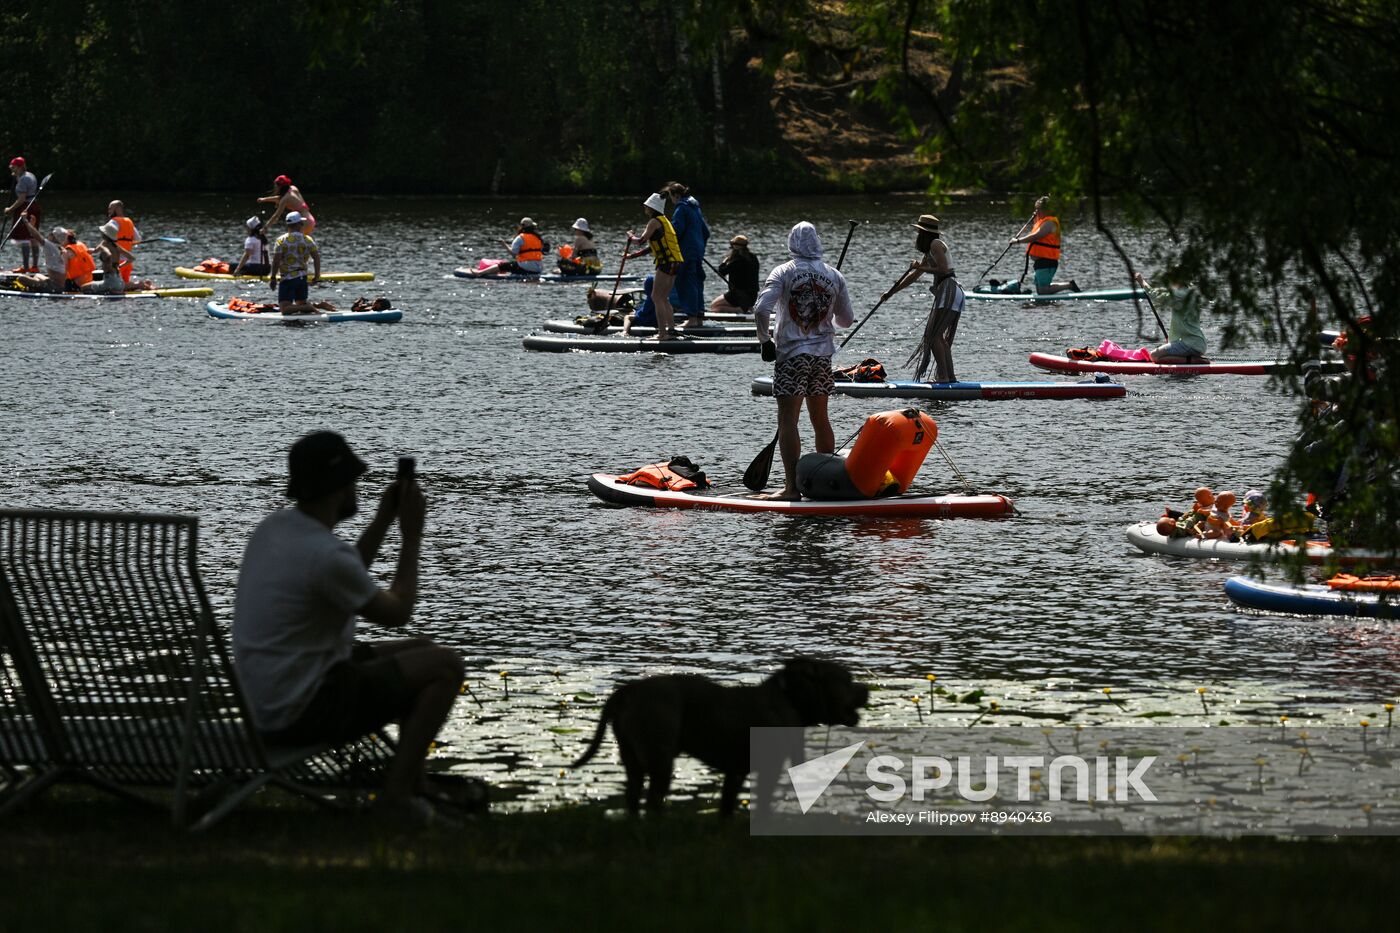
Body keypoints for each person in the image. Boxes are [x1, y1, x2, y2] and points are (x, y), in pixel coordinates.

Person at [231, 431, 466, 826]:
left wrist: (381, 521)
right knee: (446, 666)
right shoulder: (325, 555)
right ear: (339, 488)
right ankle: (396, 799)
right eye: (353, 481)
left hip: (267, 696)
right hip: (302, 708)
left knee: (421, 650)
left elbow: (343, 575)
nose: (357, 488)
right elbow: (397, 612)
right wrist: (411, 536)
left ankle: (414, 784)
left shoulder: (274, 530)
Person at [752, 221, 855, 500]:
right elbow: (846, 320)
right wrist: (827, 314)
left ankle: (790, 489)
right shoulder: (834, 275)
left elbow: (761, 309)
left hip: (792, 356)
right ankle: (823, 482)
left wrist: (765, 341)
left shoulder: (783, 271)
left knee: (788, 421)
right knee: (821, 419)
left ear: (791, 243)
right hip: (822, 357)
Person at [881, 214, 966, 383]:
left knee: (934, 336)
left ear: (924, 233)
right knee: (938, 337)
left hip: (949, 289)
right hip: (948, 290)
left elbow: (943, 269)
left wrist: (921, 267)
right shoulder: (929, 251)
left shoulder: (935, 244)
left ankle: (942, 377)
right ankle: (949, 377)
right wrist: (891, 292)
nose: (918, 236)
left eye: (919, 232)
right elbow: (914, 276)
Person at [624, 193, 684, 339]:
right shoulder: (665, 221)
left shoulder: (653, 222)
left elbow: (641, 240)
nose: (644, 207)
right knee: (663, 298)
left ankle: (662, 334)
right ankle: (671, 331)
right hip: (675, 262)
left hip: (666, 262)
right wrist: (633, 256)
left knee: (656, 297)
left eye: (646, 206)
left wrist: (630, 236)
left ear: (651, 207)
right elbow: (652, 247)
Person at [1010, 196, 1079, 295]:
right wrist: (1036, 217)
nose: (1036, 212)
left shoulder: (1050, 223)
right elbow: (1037, 229)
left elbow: (1036, 236)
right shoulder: (1043, 222)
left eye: (1039, 209)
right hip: (1041, 262)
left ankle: (1069, 286)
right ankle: (1068, 286)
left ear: (1048, 210)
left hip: (1047, 262)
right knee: (1041, 290)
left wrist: (1018, 241)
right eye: (1036, 209)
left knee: (1043, 291)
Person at [663, 182, 710, 325]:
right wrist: (700, 248)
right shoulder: (696, 208)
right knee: (696, 283)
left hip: (685, 253)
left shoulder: (681, 209)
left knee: (685, 283)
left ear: (676, 195)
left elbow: (676, 232)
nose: (670, 200)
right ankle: (699, 317)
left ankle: (691, 319)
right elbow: (706, 232)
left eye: (670, 196)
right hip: (697, 252)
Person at [1134, 271, 1206, 363]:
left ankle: (1194, 361)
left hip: (1189, 344)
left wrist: (1142, 281)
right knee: (1164, 353)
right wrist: (1172, 340)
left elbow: (1156, 296)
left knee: (1154, 356)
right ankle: (1192, 359)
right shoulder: (1190, 292)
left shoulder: (1179, 294)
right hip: (1197, 344)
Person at [268, 211, 322, 313]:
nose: (303, 225)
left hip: (288, 278)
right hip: (302, 278)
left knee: (284, 309)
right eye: (302, 223)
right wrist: (317, 275)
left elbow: (276, 261)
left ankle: (308, 307)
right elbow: (316, 258)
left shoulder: (281, 240)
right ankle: (316, 306)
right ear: (299, 224)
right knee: (300, 304)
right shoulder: (308, 239)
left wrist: (273, 277)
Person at [80, 221, 152, 293]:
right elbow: (131, 258)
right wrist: (120, 266)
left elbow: (107, 254)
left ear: (105, 235)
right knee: (118, 285)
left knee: (83, 288)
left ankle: (134, 286)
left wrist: (108, 262)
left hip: (109, 283)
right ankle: (139, 285)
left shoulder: (103, 245)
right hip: (120, 281)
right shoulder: (116, 246)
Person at [8, 215, 68, 292]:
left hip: (54, 287)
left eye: (51, 234)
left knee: (21, 278)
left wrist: (25, 221)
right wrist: (32, 226)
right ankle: (36, 286)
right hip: (56, 285)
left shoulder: (51, 246)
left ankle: (34, 287)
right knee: (37, 275)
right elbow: (37, 236)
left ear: (54, 237)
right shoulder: (58, 247)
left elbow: (37, 236)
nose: (49, 235)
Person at [4, 157, 42, 273]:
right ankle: (34, 266)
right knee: (32, 237)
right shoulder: (30, 175)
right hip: (34, 205)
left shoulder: (23, 179)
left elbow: (21, 199)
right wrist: (16, 176)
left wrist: (9, 209)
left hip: (25, 207)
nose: (12, 169)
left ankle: (25, 268)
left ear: (20, 167)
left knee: (24, 237)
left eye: (14, 167)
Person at [474, 217, 548, 276]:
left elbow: (513, 254)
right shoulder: (538, 238)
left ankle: (480, 273)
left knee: (503, 266)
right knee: (514, 264)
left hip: (526, 267)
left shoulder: (520, 237)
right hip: (539, 268)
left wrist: (504, 245)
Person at [709, 235, 760, 315]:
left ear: (736, 246)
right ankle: (747, 307)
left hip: (738, 295)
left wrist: (725, 261)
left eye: (732, 245)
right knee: (717, 306)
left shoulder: (737, 260)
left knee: (714, 307)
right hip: (753, 296)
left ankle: (741, 310)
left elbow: (722, 272)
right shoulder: (753, 257)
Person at [105, 200, 142, 284]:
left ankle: (140, 285)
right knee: (124, 285)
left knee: (114, 285)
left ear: (118, 209)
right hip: (127, 263)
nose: (109, 211)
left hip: (117, 261)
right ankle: (141, 285)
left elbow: (108, 239)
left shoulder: (113, 222)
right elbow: (138, 239)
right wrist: (128, 242)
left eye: (111, 209)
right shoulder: (129, 222)